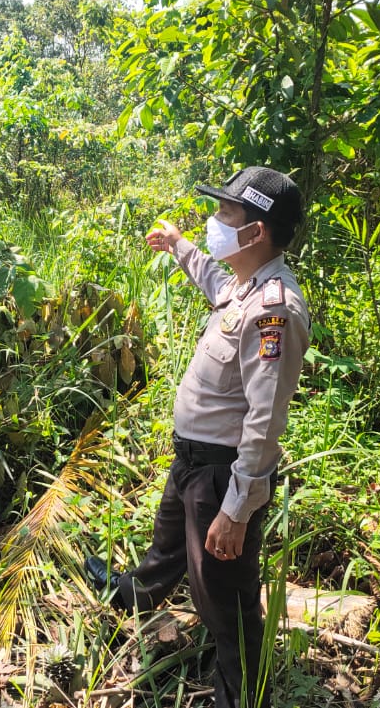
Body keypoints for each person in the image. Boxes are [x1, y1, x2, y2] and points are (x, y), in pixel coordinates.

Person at [85, 167, 310, 708]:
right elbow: (212, 280)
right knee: (168, 545)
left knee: (225, 600)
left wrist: (236, 509)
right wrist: (179, 245)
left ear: (255, 232)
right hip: (192, 458)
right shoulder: (242, 285)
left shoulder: (273, 308)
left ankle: (239, 696)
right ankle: (134, 593)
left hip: (220, 471)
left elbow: (264, 421)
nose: (215, 222)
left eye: (226, 214)